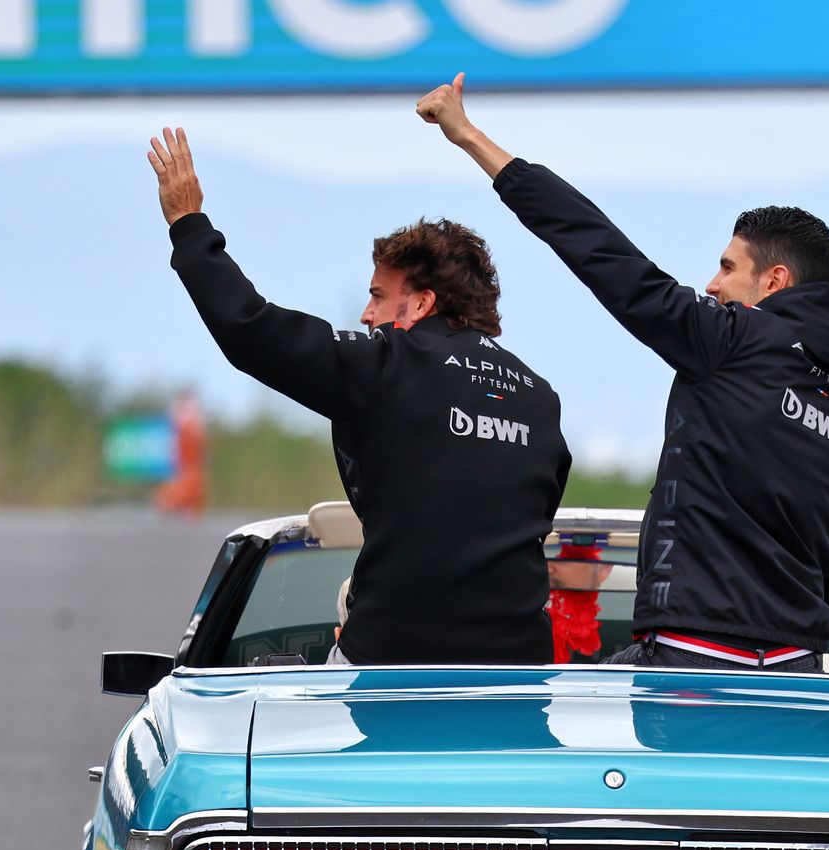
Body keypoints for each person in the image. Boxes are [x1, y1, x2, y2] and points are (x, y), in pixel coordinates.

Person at [417, 75, 829, 674]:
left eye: (727, 268)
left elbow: (605, 254)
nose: (711, 285)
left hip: (692, 660)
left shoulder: (731, 339)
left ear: (774, 281)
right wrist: (781, 620)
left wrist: (470, 137)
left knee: (566, 702)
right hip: (797, 668)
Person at [147, 126, 571, 666]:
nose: (367, 315)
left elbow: (250, 329)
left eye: (377, 296)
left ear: (420, 304)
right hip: (519, 672)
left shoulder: (390, 364)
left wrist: (188, 224)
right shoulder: (540, 397)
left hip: (393, 663)